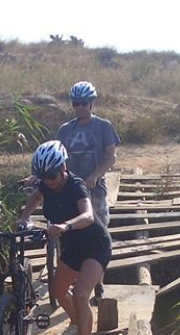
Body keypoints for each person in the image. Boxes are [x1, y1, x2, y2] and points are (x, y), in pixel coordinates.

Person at [17, 140, 112, 335]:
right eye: (43, 176)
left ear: (63, 168)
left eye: (51, 175)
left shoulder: (76, 186)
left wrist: (65, 226)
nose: (48, 180)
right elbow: (35, 198)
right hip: (73, 248)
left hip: (95, 246)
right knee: (57, 291)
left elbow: (88, 216)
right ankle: (76, 323)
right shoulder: (46, 185)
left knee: (81, 294)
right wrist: (23, 218)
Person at [55, 81, 120, 303]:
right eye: (76, 103)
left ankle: (98, 284)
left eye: (83, 103)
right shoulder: (65, 130)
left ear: (91, 103)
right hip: (71, 191)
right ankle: (73, 282)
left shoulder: (103, 126)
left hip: (95, 189)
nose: (79, 107)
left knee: (98, 238)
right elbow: (56, 157)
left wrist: (95, 175)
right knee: (70, 235)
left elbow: (110, 156)